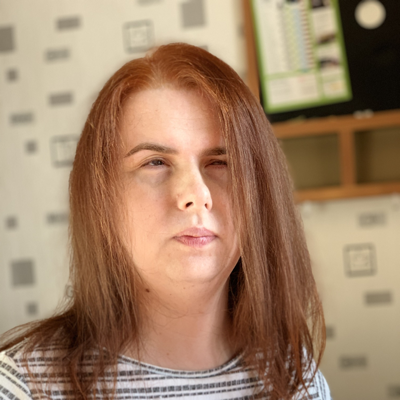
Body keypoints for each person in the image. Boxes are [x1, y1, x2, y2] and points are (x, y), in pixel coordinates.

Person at [0, 43, 330, 400]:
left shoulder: (297, 378)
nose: (196, 194)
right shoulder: (21, 386)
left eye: (220, 162)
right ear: (101, 199)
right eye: (155, 162)